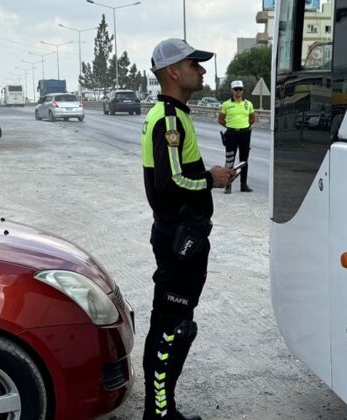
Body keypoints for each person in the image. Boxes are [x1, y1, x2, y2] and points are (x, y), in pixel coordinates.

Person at [141, 38, 237, 420]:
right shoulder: (167, 119)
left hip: (186, 239)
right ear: (172, 72)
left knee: (170, 324)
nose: (202, 70)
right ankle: (160, 414)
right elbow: (169, 184)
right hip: (178, 240)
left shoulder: (176, 116)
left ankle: (160, 410)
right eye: (194, 64)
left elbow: (180, 174)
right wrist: (211, 180)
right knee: (172, 329)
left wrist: (208, 175)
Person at [218, 80, 256, 194]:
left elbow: (252, 118)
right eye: (236, 89)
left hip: (245, 134)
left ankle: (243, 185)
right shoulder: (226, 104)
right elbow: (220, 119)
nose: (238, 92)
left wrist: (245, 127)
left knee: (244, 160)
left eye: (240, 89)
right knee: (230, 161)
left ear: (242, 90)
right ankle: (228, 185)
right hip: (231, 134)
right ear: (232, 90)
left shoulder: (248, 104)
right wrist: (230, 126)